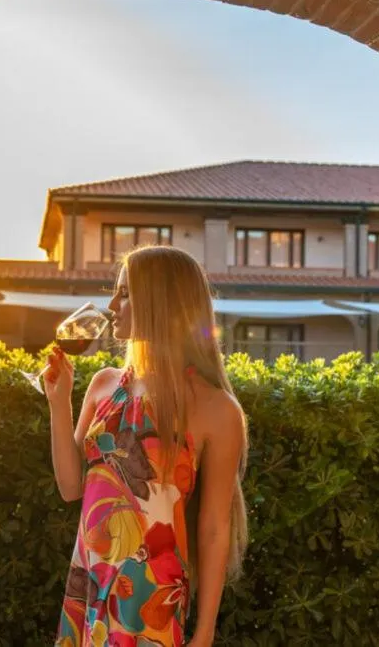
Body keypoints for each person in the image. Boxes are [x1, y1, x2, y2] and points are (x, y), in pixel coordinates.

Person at [45, 245, 249, 647]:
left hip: (149, 594)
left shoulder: (217, 409)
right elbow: (71, 488)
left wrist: (204, 633)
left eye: (125, 292)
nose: (112, 304)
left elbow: (213, 528)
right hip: (88, 583)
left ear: (160, 300)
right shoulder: (104, 384)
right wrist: (58, 404)